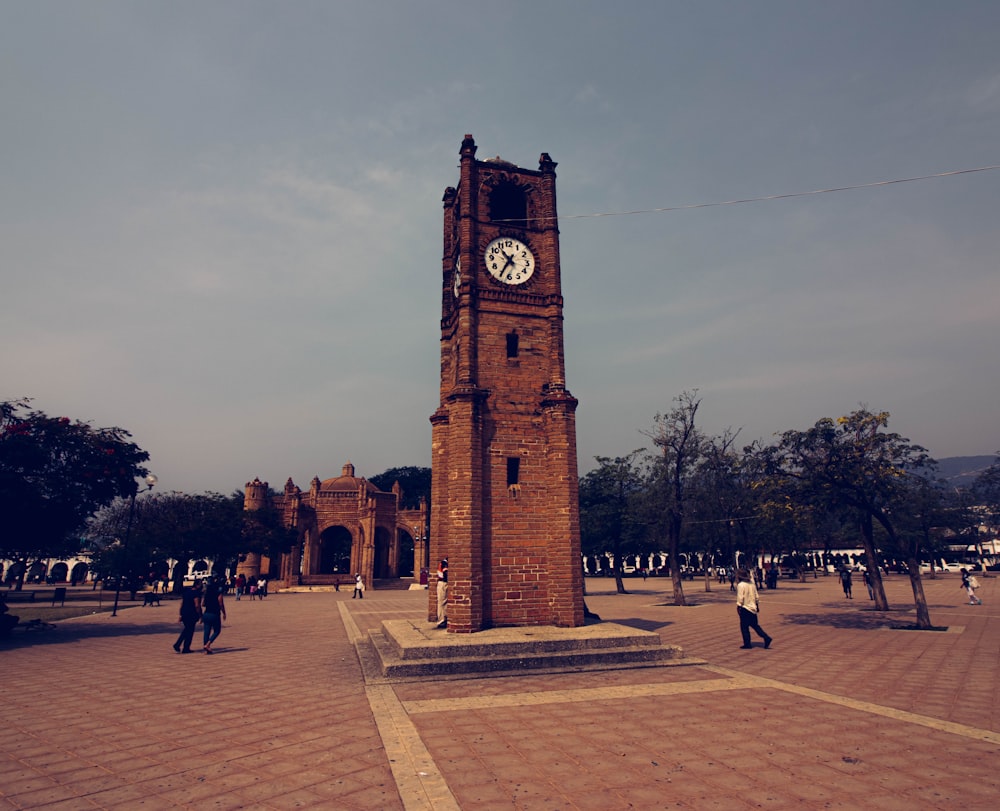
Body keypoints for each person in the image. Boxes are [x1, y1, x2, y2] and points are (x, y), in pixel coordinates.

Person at [736, 569, 772, 650]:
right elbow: (756, 596)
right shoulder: (752, 584)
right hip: (753, 608)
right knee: (755, 625)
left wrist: (738, 606)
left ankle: (747, 643)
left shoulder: (741, 585)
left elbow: (740, 598)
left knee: (744, 627)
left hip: (745, 608)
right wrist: (757, 605)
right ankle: (766, 637)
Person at [173, 578, 203, 653]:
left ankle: (181, 645)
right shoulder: (196, 593)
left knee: (187, 629)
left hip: (184, 613)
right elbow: (197, 605)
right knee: (189, 631)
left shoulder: (186, 592)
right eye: (201, 584)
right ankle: (183, 646)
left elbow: (181, 603)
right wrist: (200, 615)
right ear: (197, 585)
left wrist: (180, 615)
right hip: (191, 614)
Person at [201, 575, 227, 654]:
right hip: (214, 613)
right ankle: (208, 644)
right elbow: (221, 603)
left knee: (206, 631)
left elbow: (203, 604)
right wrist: (224, 613)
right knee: (217, 630)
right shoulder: (218, 592)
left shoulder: (207, 593)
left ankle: (206, 648)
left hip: (206, 613)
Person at [435, 559, 448, 629]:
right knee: (442, 602)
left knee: (444, 602)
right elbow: (446, 574)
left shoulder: (443, 562)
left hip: (443, 583)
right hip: (443, 583)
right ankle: (441, 620)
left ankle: (443, 619)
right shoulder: (444, 563)